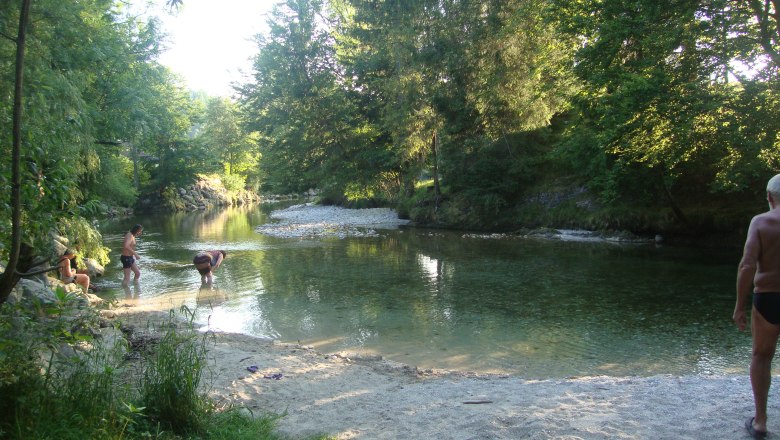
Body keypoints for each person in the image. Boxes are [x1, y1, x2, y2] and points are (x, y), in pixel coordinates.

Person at [734, 173, 780, 438]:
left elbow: (747, 265)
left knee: (762, 357)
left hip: (768, 297)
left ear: (768, 197)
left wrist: (740, 305)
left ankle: (761, 422)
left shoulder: (761, 222)